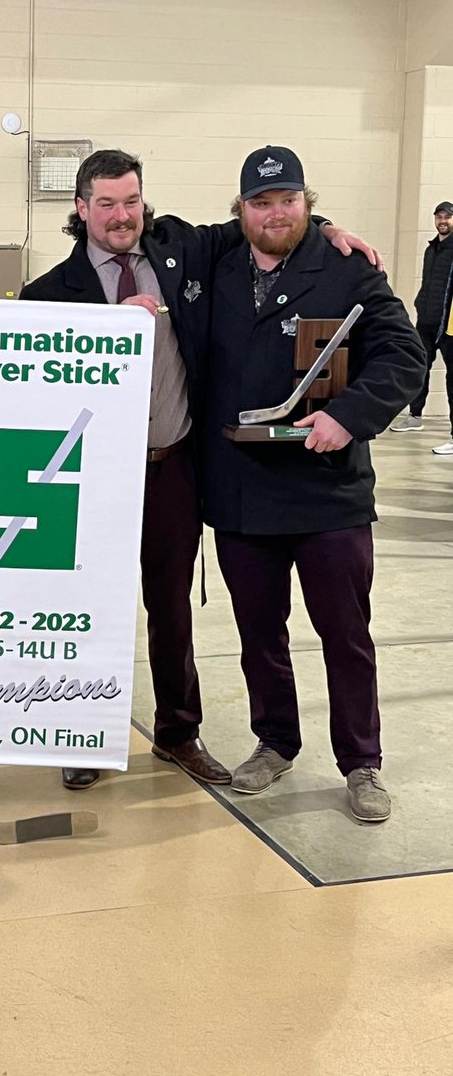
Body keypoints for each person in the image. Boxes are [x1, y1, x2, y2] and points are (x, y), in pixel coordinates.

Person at [20, 149, 377, 792]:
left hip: (173, 464)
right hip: (89, 475)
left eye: (131, 200)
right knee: (84, 606)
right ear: (81, 208)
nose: (121, 215)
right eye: (106, 203)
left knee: (172, 605)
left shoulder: (183, 250)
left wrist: (326, 228)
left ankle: (178, 732)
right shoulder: (49, 293)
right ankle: (80, 733)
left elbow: (270, 220)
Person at [197, 146, 425, 822]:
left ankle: (361, 762)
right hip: (242, 493)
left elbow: (404, 354)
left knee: (345, 635)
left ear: (307, 202)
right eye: (261, 202)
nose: (275, 214)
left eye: (288, 201)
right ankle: (275, 743)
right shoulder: (215, 265)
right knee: (258, 633)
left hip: (329, 494)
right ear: (240, 209)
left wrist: (349, 416)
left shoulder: (347, 269)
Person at [389, 200, 453, 454]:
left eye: (447, 217)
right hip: (425, 321)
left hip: (449, 326)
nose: (442, 221)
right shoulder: (431, 249)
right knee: (418, 368)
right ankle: (415, 416)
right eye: (439, 216)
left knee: (452, 380)